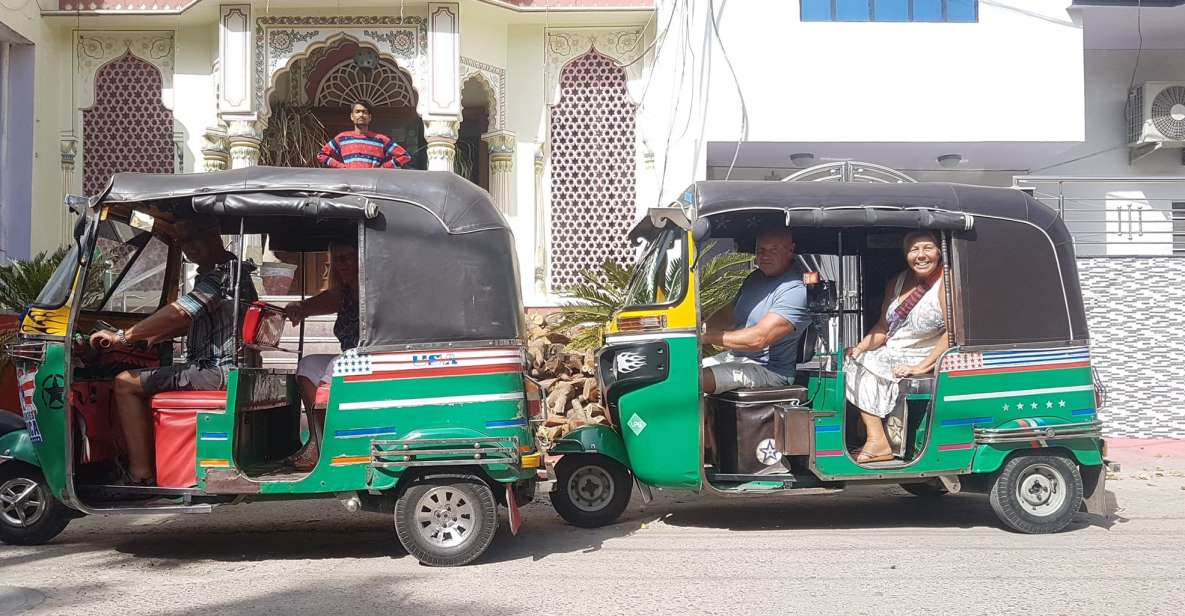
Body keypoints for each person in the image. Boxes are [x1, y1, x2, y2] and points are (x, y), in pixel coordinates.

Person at [92, 217, 258, 484]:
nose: (188, 246)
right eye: (183, 241)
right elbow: (192, 321)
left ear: (214, 234)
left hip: (218, 371)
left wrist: (124, 336)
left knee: (125, 383)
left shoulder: (222, 275)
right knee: (142, 380)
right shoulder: (228, 271)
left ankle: (140, 474)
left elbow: (181, 312)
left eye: (195, 237)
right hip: (223, 368)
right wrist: (148, 338)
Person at [845, 230, 949, 464]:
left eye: (927, 248)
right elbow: (883, 327)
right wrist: (859, 348)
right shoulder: (898, 282)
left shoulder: (946, 283)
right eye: (914, 250)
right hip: (892, 351)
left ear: (939, 252)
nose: (921, 255)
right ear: (906, 255)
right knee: (852, 360)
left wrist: (920, 367)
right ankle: (866, 430)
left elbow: (953, 333)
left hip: (924, 354)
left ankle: (877, 440)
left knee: (863, 365)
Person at [701, 227, 812, 394]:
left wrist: (705, 337)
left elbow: (759, 338)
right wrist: (698, 326)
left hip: (770, 371)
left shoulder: (796, 289)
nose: (765, 256)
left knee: (697, 380)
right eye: (761, 250)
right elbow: (727, 315)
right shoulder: (754, 278)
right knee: (681, 372)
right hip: (736, 358)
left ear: (790, 250)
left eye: (773, 250)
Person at [282, 243, 359, 470]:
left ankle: (332, 445)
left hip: (373, 355)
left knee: (334, 368)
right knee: (307, 366)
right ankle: (318, 439)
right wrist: (299, 307)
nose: (342, 264)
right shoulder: (345, 291)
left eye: (348, 258)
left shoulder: (373, 290)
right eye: (338, 259)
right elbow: (325, 300)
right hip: (351, 356)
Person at [317, 102, 411, 169]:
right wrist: (342, 167)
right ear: (352, 117)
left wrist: (383, 168)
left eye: (364, 112)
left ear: (369, 117)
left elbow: (405, 156)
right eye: (357, 112)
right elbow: (321, 155)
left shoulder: (381, 139)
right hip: (349, 185)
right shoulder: (342, 138)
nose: (361, 115)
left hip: (372, 186)